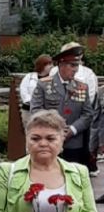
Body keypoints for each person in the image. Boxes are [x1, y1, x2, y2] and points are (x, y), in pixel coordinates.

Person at [31, 43, 96, 171]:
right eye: (72, 65)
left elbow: (88, 114)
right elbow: (36, 110)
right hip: (48, 142)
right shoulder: (44, 85)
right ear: (61, 64)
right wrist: (56, 129)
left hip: (74, 144)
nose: (76, 69)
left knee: (72, 181)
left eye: (77, 65)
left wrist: (72, 130)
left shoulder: (82, 87)